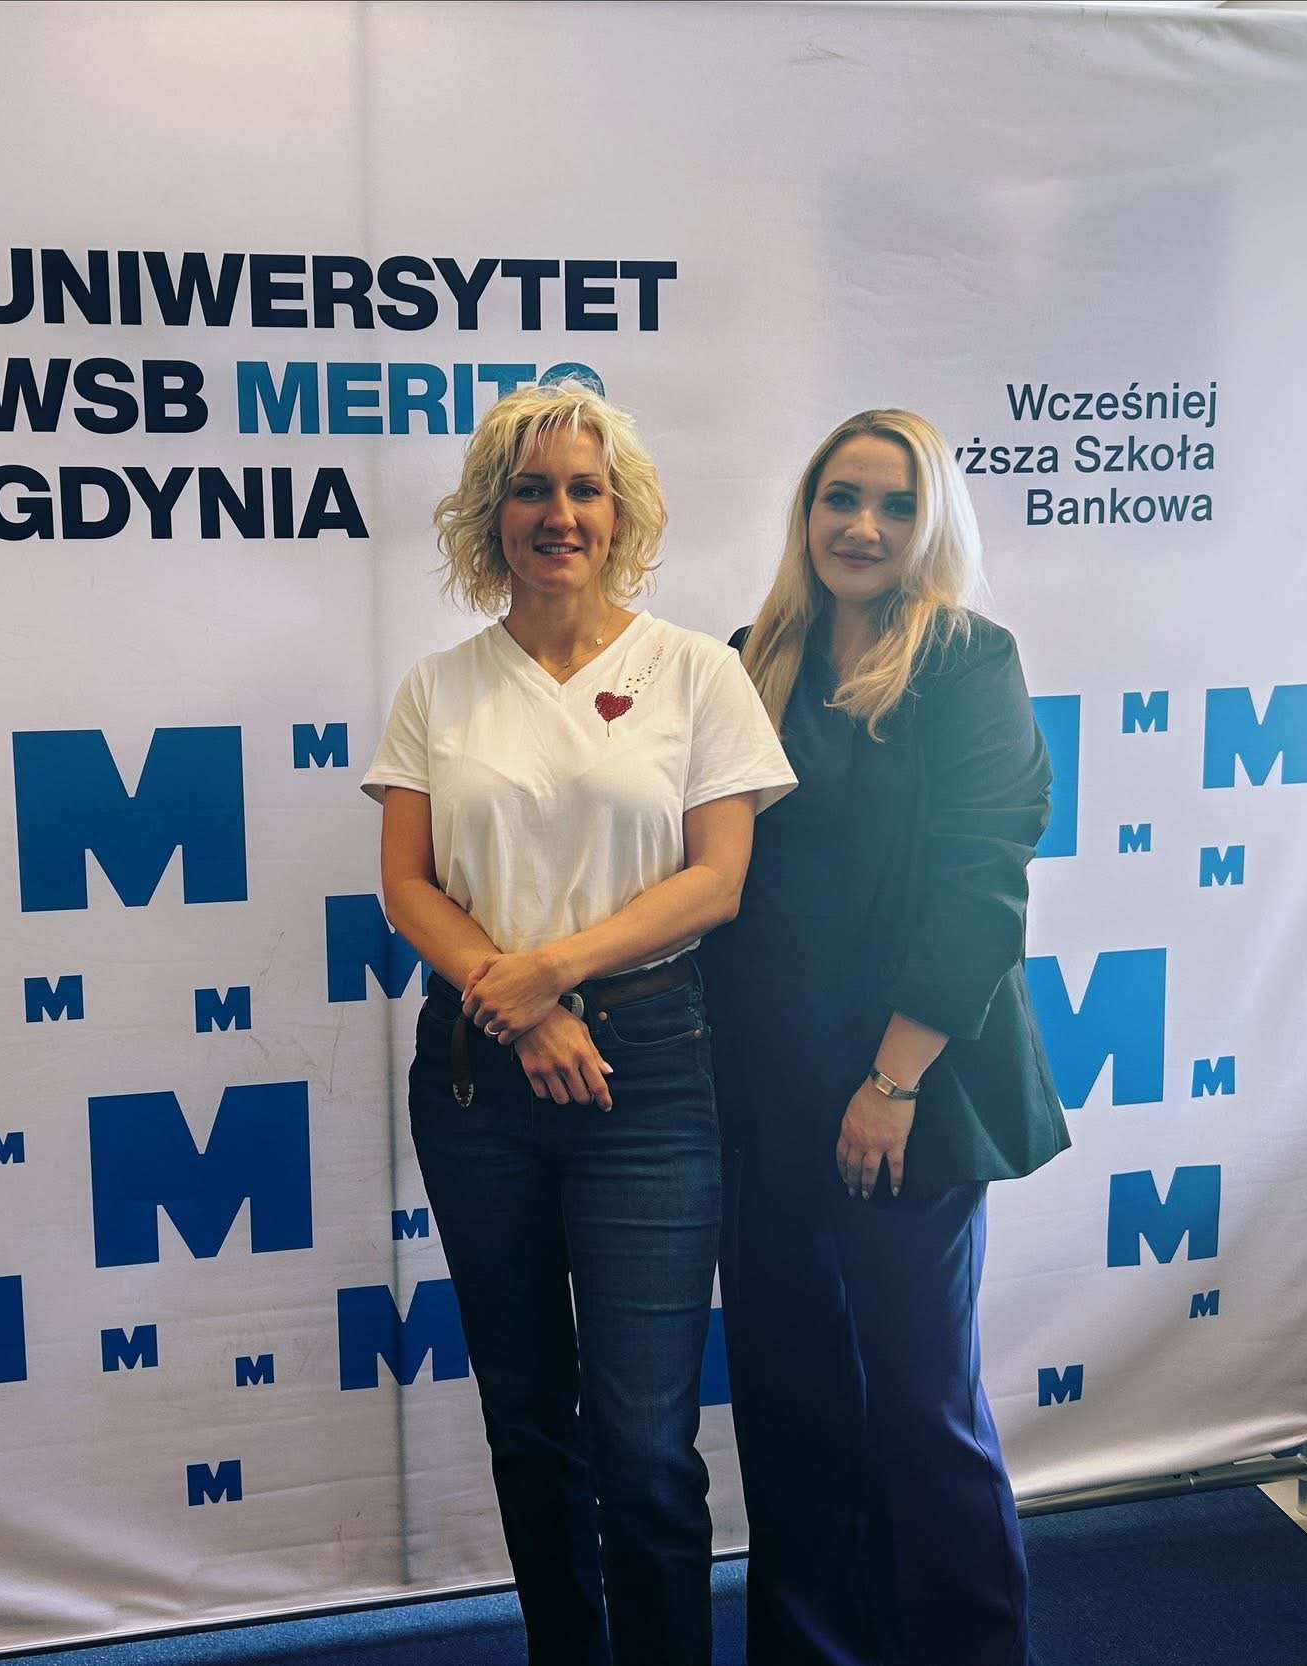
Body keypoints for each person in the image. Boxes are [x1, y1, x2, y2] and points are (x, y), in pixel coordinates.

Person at [361, 381, 795, 1666]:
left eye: (584, 489)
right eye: (531, 489)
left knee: (646, 1440)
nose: (559, 514)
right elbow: (406, 886)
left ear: (623, 512)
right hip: (476, 1083)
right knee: (525, 1420)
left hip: (646, 1078)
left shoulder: (697, 673)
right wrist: (520, 1010)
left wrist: (547, 974)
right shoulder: (437, 687)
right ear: (490, 515)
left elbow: (715, 882)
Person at [703, 408, 1072, 1666]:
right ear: (804, 514)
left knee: (917, 1408)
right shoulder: (747, 659)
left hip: (906, 1092)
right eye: (839, 498)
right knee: (789, 1405)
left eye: (895, 504)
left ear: (931, 525)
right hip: (763, 1094)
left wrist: (891, 1078)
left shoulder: (966, 660)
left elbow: (981, 886)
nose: (861, 526)